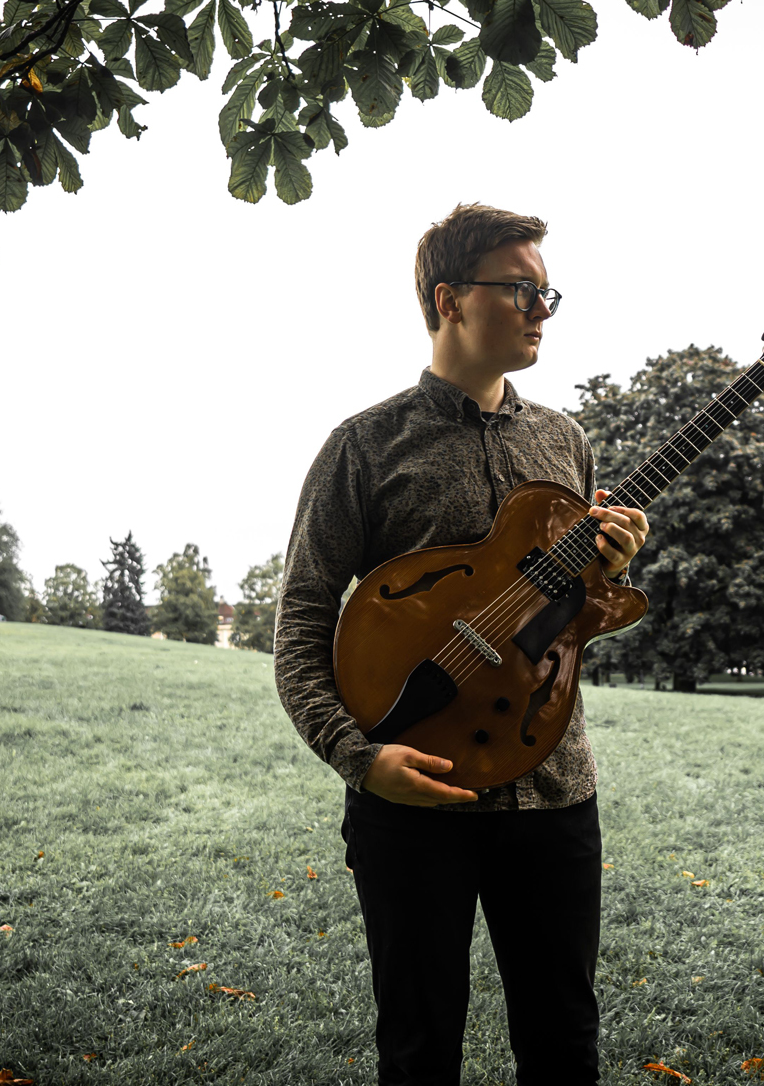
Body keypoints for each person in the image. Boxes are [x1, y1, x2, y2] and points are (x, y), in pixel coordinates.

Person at [273, 203, 649, 1085]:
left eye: (549, 294)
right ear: (448, 300)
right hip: (409, 798)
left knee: (565, 1043)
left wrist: (611, 568)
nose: (541, 310)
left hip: (554, 788)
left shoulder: (565, 441)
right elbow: (301, 622)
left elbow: (565, 620)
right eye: (520, 290)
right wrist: (359, 759)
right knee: (419, 1048)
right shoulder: (363, 448)